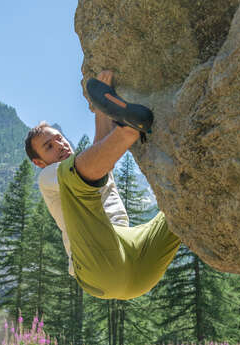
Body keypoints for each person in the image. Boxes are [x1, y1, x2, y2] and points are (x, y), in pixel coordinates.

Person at [25, 70, 181, 300]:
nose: (59, 145)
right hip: (98, 270)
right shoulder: (47, 178)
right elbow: (85, 169)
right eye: (49, 146)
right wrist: (107, 112)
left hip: (136, 262)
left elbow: (99, 154)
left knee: (182, 208)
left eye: (59, 137)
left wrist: (101, 106)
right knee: (76, 179)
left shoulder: (91, 162)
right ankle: (129, 131)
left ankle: (128, 128)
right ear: (39, 162)